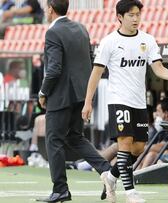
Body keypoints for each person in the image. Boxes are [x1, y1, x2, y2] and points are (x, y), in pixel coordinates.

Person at [81, 1, 168, 202]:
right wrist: (88, 102)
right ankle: (131, 193)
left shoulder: (147, 40)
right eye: (131, 15)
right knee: (125, 145)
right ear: (120, 17)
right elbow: (96, 74)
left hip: (139, 102)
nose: (135, 18)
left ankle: (111, 178)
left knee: (138, 149)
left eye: (138, 14)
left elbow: (158, 69)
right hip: (119, 101)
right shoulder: (109, 42)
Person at [36, 0, 111, 202]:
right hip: (81, 95)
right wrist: (87, 96)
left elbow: (54, 69)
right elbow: (89, 59)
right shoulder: (81, 28)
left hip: (60, 97)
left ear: (50, 9)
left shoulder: (53, 32)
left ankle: (60, 189)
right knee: (75, 137)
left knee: (54, 141)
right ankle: (107, 170)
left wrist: (43, 92)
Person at [139, 98, 168, 169]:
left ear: (166, 113)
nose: (156, 114)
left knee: (149, 154)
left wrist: (142, 148)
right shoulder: (164, 128)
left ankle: (137, 177)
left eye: (158, 111)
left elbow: (161, 146)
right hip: (164, 154)